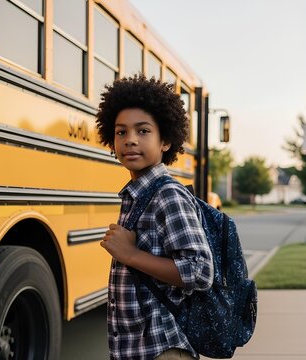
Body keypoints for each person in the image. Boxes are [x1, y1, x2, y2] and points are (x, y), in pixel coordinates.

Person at [96, 74, 213, 360]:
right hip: (139, 349)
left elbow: (200, 271)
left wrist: (130, 254)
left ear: (166, 141)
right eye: (121, 132)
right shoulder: (137, 195)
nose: (130, 140)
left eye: (143, 131)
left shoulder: (167, 195)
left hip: (163, 349)